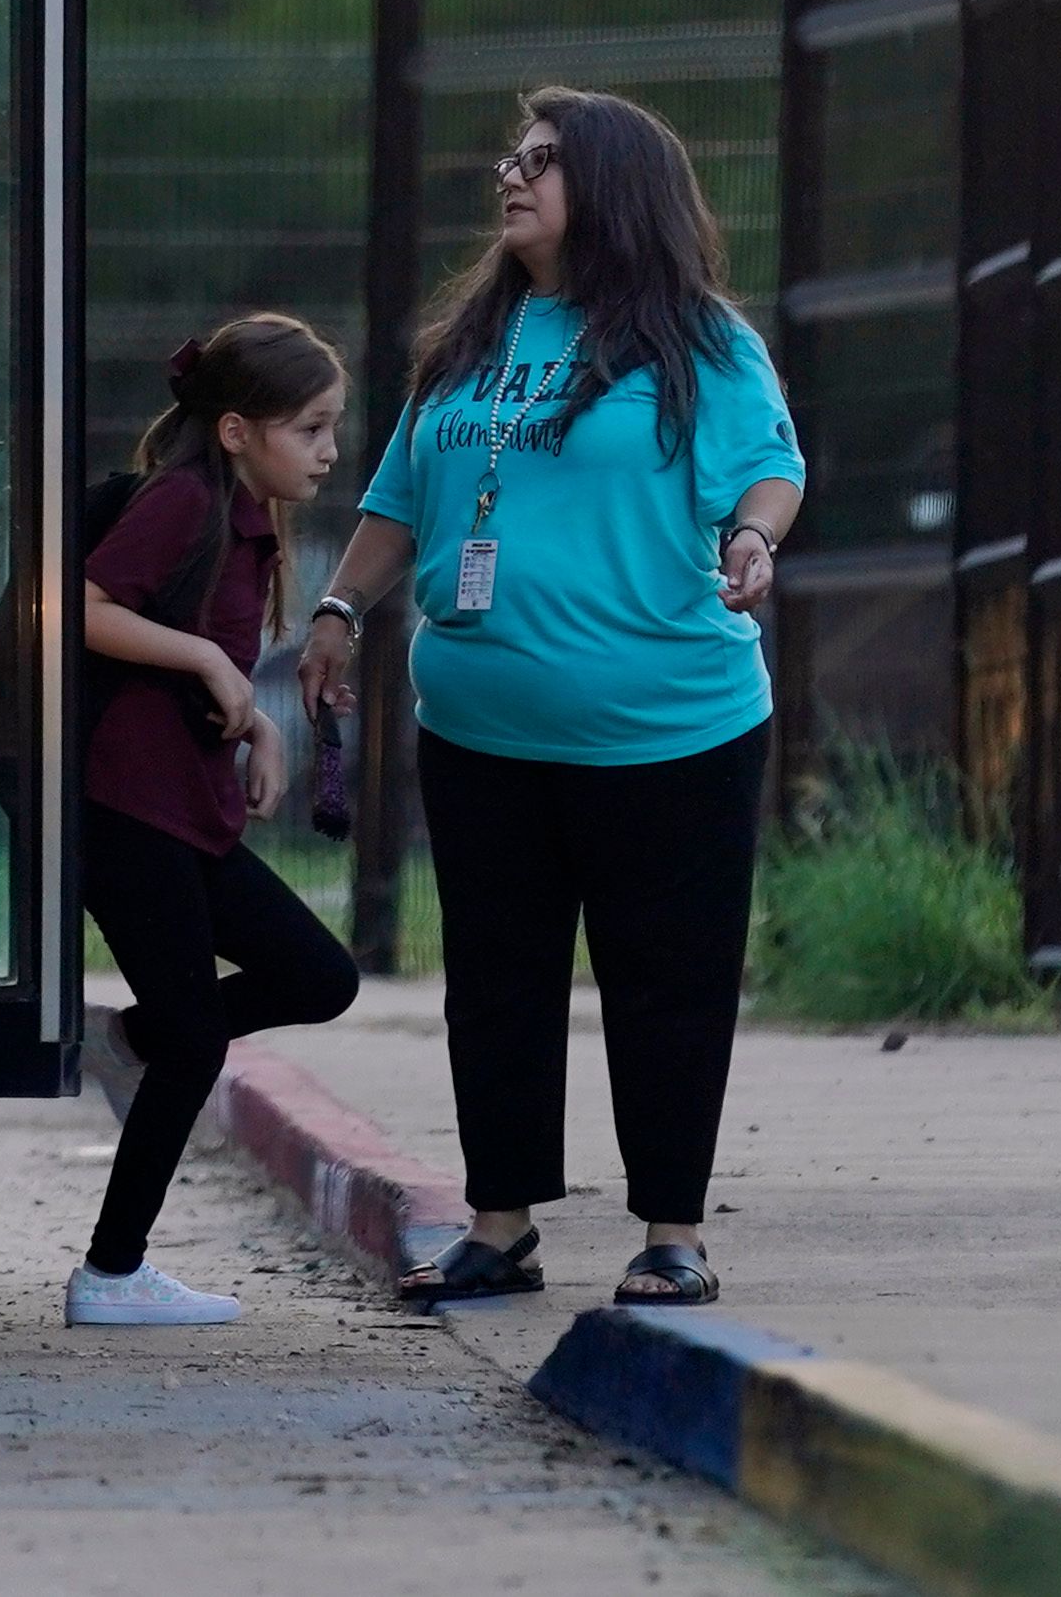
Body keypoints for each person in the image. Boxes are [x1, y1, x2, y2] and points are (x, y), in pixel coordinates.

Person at [297, 87, 805, 1307]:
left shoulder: (702, 340)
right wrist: (337, 610)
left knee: (667, 983)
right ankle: (500, 1224)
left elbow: (769, 469)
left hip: (672, 733)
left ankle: (672, 1232)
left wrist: (751, 542)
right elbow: (400, 502)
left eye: (541, 162)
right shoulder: (471, 343)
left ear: (614, 185)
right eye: (508, 161)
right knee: (498, 979)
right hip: (481, 736)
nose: (510, 179)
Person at [66, 313, 362, 1327]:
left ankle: (129, 1040)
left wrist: (259, 736)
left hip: (184, 806)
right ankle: (111, 1273)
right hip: (124, 803)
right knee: (195, 1040)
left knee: (318, 976)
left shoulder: (244, 518)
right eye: (311, 427)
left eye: (332, 428)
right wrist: (205, 661)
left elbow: (207, 652)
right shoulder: (184, 501)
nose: (328, 448)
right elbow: (82, 605)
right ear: (237, 429)